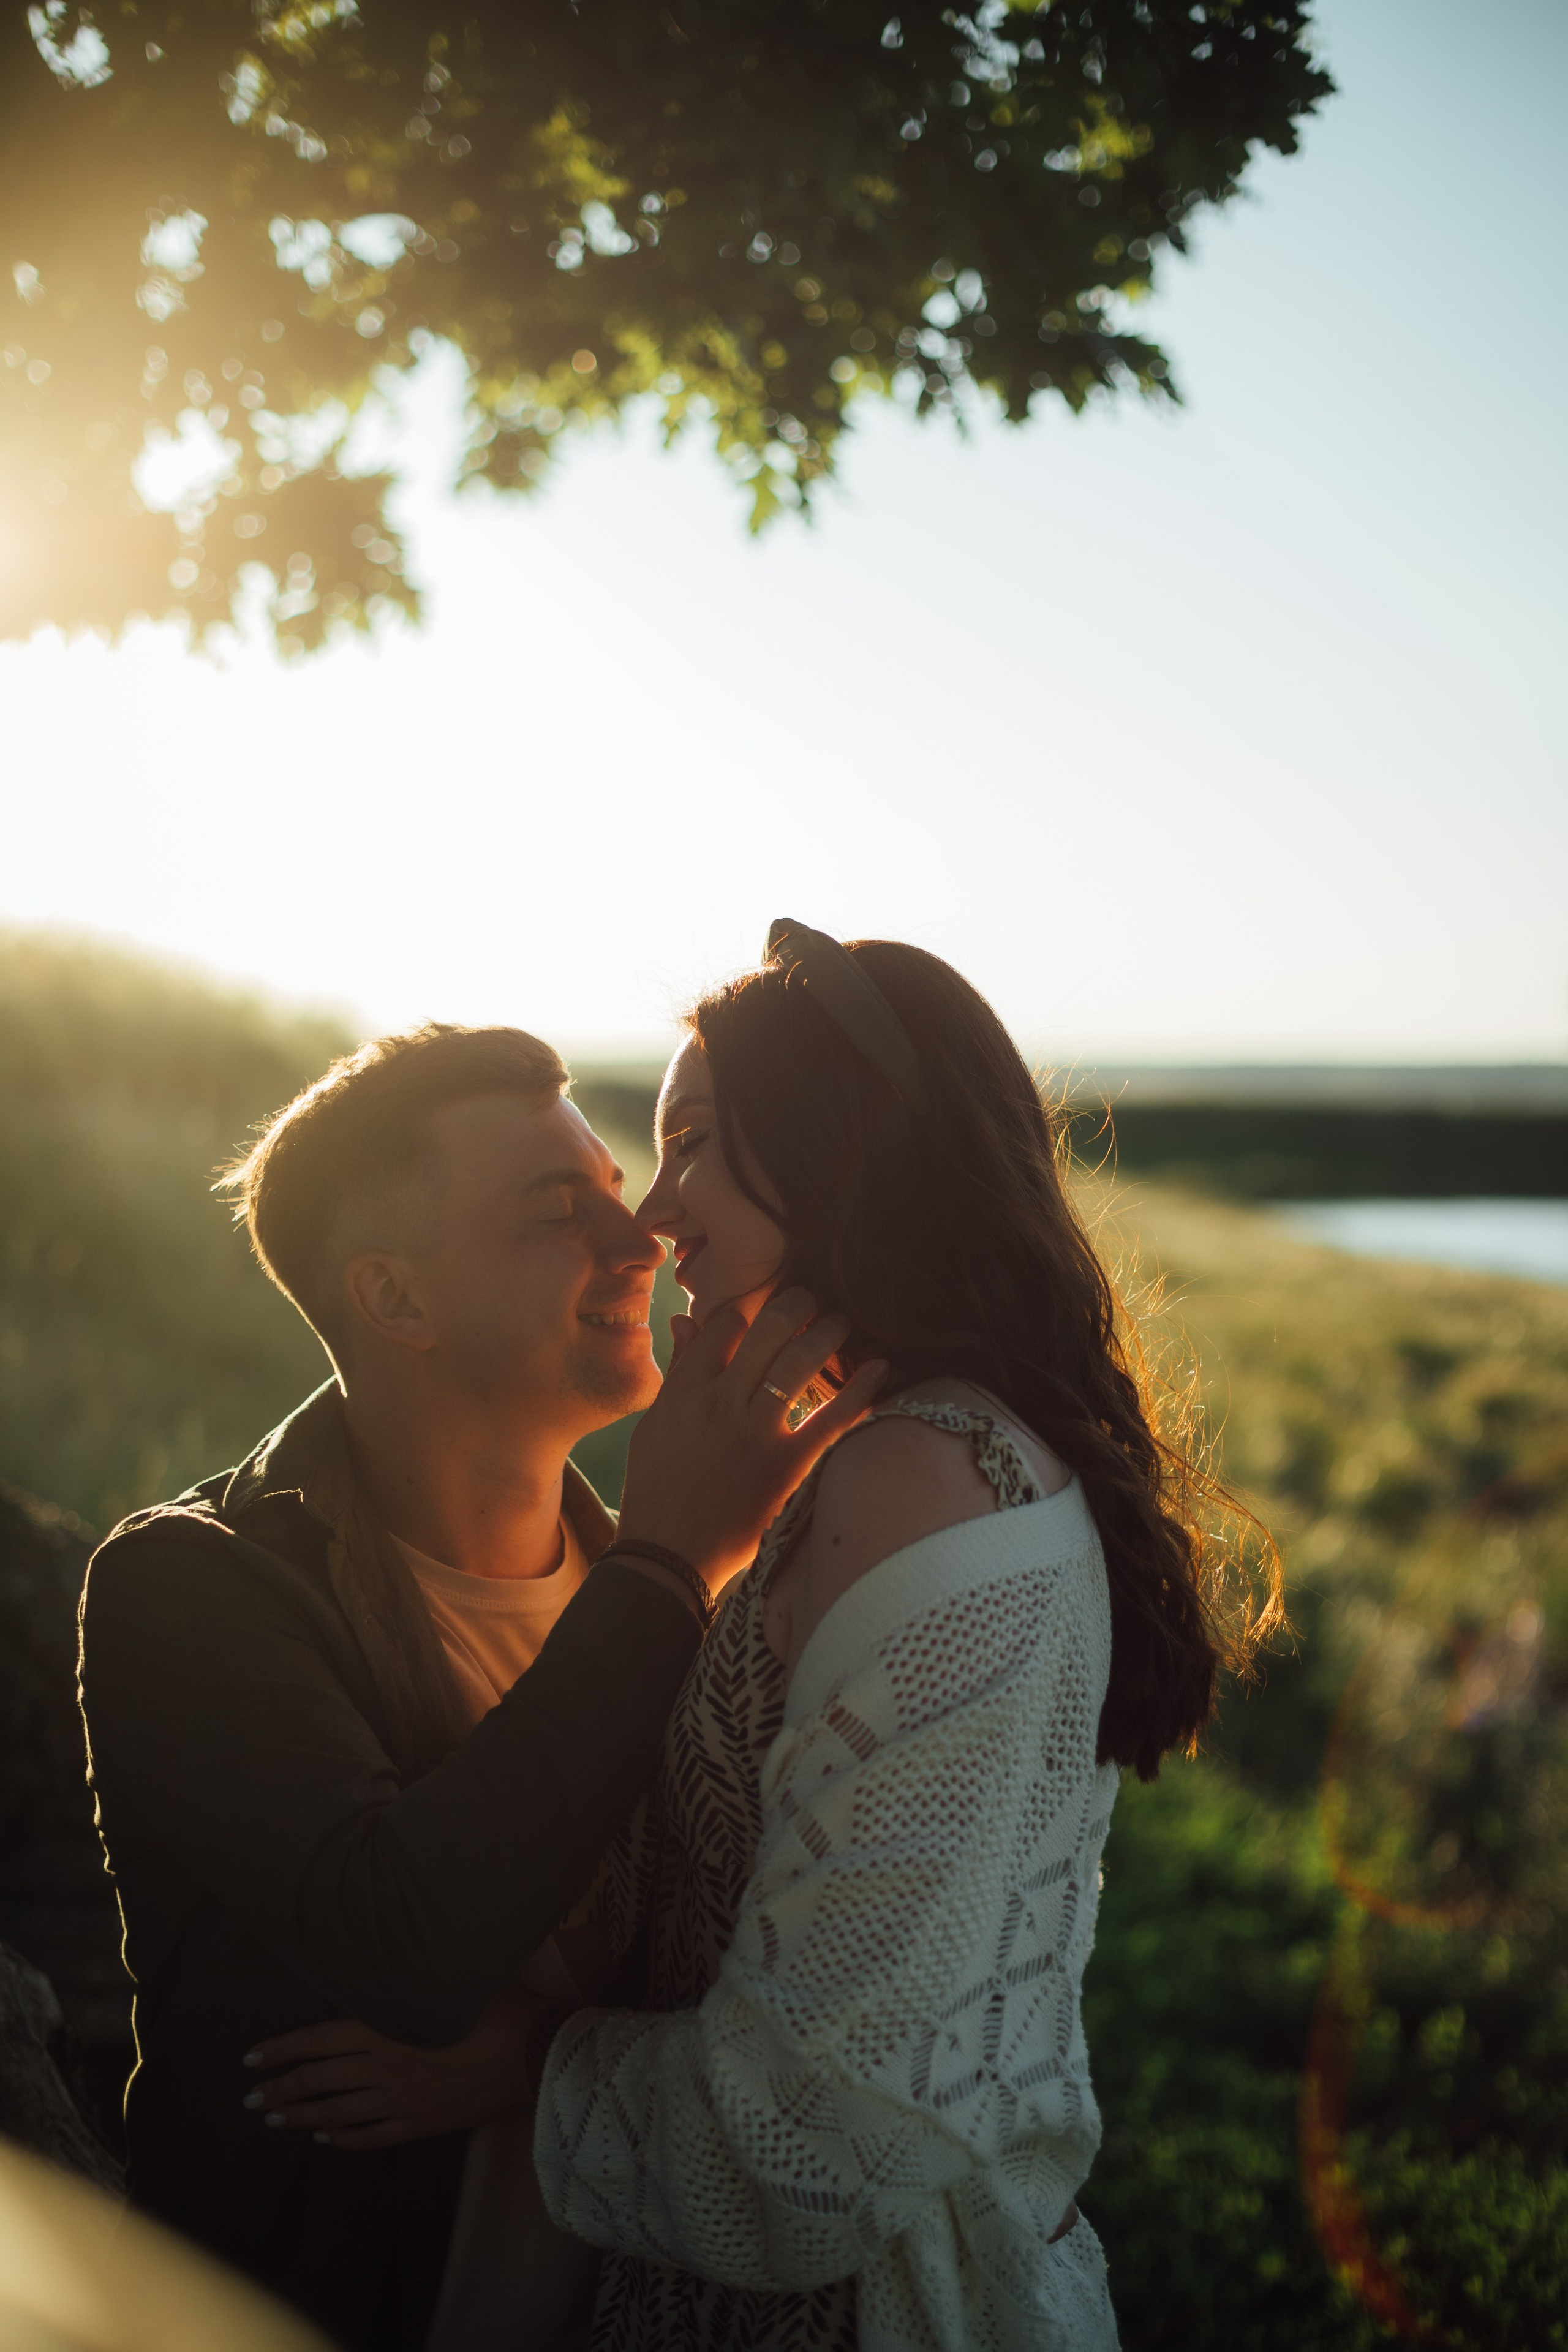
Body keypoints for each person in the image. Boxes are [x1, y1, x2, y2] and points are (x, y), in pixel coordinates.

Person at [263, 929, 1281, 2350]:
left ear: (830, 1146)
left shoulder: (915, 1481)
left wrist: (522, 2068)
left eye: (686, 1146)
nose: (658, 1215)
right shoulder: (874, 1456)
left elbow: (808, 2148)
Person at [76, 1022, 881, 2352]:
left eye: (616, 1196)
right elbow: (410, 1945)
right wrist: (672, 1564)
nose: (641, 1249)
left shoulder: (660, 1591)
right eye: (560, 1213)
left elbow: (773, 2005)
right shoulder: (190, 1589)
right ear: (396, 1301)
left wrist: (538, 2051)